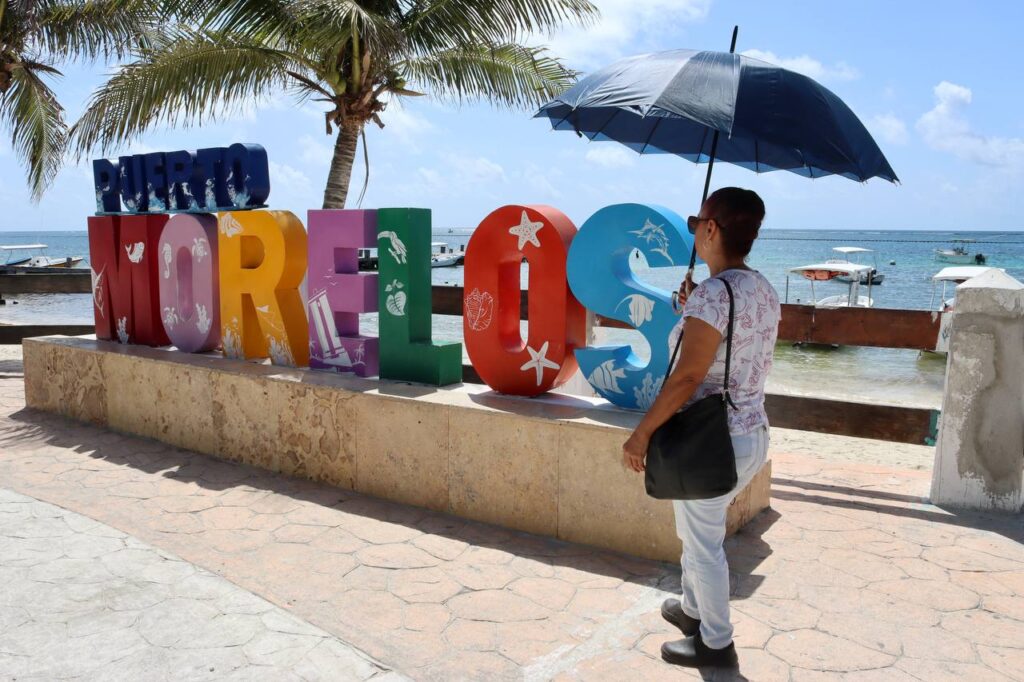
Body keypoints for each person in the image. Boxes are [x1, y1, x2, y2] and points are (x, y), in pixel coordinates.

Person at [621, 187, 780, 669]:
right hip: (750, 431)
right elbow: (736, 348)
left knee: (704, 543)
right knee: (694, 531)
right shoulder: (760, 289)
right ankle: (693, 611)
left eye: (697, 221)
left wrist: (641, 433)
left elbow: (688, 375)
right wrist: (693, 307)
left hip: (712, 439)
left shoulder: (714, 294)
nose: (694, 229)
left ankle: (715, 642)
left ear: (712, 229)